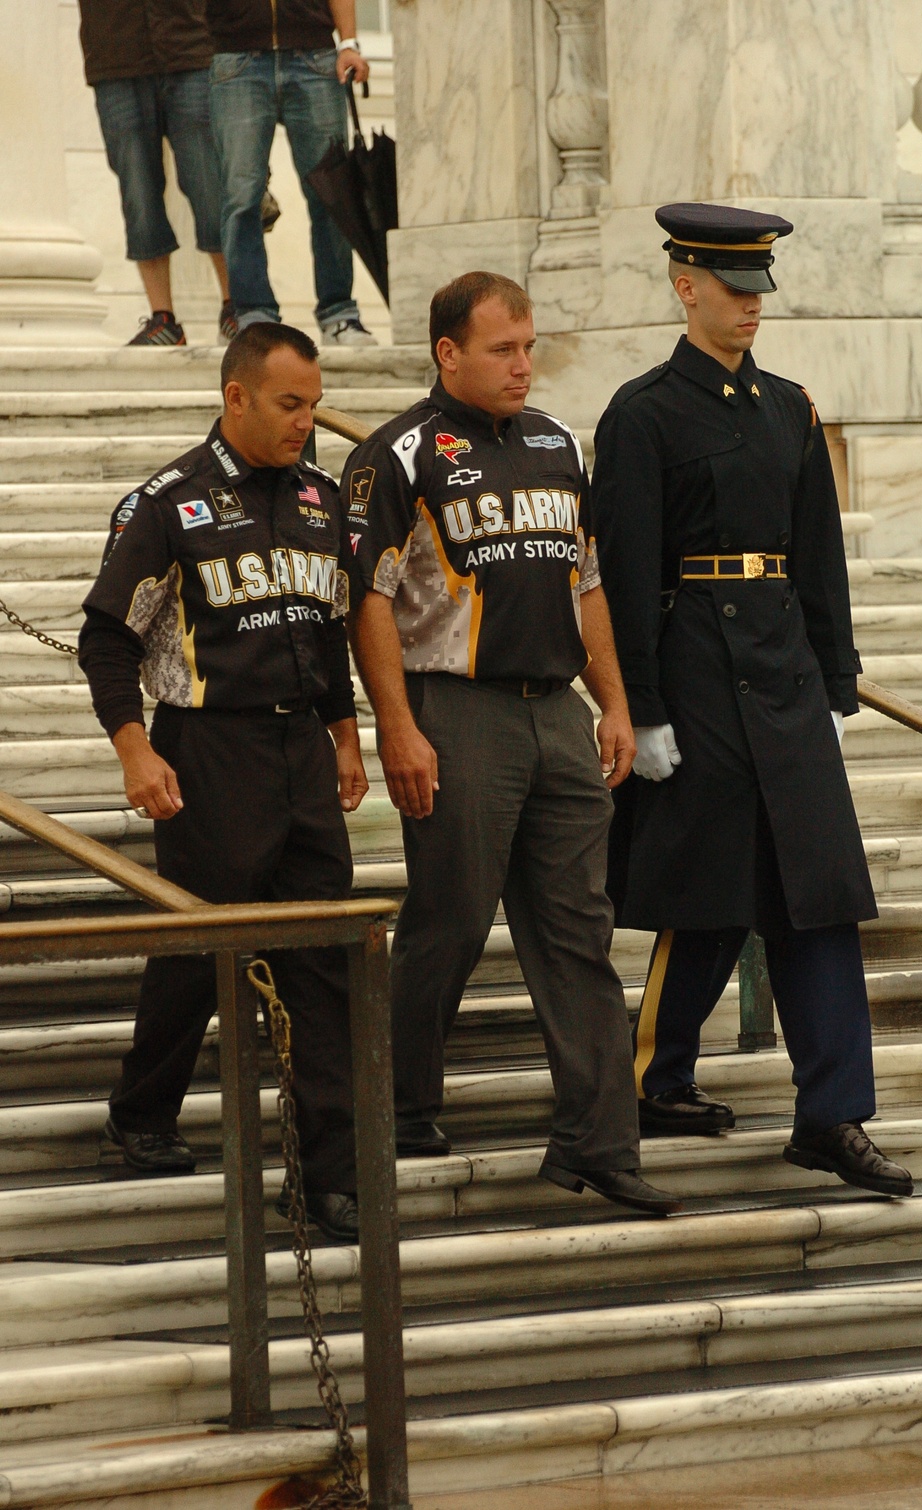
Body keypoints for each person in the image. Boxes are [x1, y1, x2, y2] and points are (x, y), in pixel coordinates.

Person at [591, 204, 913, 1199]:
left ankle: (832, 1115)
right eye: (734, 289)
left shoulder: (788, 407)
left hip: (781, 667)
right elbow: (627, 569)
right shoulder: (641, 414)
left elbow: (816, 554)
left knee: (818, 897)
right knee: (707, 885)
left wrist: (835, 673)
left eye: (759, 289)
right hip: (694, 664)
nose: (751, 308)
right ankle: (654, 1075)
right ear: (685, 285)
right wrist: (639, 708)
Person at [347, 271, 679, 1218]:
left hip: (557, 712)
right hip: (455, 706)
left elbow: (589, 581)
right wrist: (395, 725)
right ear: (449, 352)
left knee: (581, 926)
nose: (524, 366)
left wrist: (612, 703)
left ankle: (597, 1143)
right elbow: (368, 600)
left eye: (529, 346)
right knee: (448, 919)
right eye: (504, 349)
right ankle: (404, 1103)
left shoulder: (555, 443)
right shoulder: (396, 454)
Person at [78, 323, 369, 1243]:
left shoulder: (324, 498)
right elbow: (108, 636)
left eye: (315, 404)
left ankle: (326, 1174)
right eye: (290, 404)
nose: (306, 421)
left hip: (302, 756)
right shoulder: (167, 503)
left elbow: (329, 628)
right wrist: (134, 747)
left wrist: (345, 733)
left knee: (323, 956)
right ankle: (143, 1112)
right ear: (236, 397)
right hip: (208, 749)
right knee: (199, 949)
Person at [206, 0, 376, 345]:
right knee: (241, 196)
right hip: (235, 58)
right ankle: (254, 317)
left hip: (315, 55)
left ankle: (338, 313)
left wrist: (348, 43)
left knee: (332, 193)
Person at [78, 0, 236, 346]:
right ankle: (163, 319)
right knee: (138, 193)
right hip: (116, 56)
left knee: (210, 184)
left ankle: (234, 307)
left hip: (191, 48)